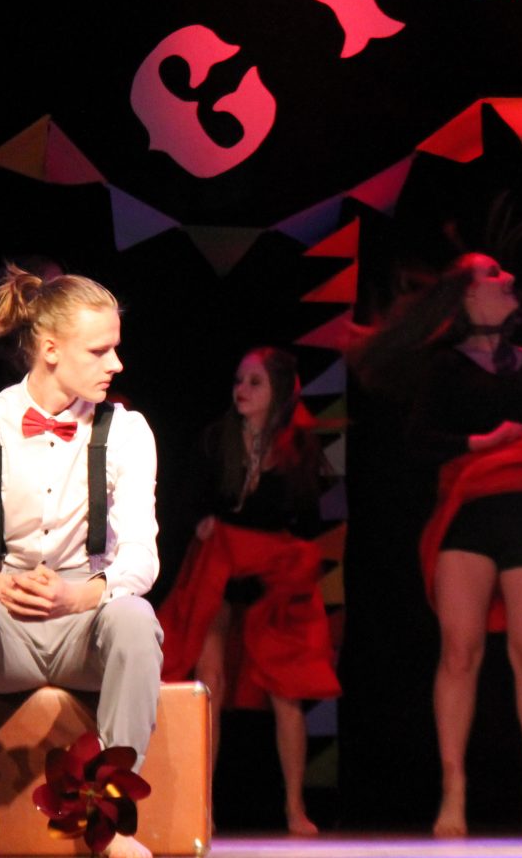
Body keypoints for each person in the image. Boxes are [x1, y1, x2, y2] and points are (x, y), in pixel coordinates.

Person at [0, 262, 162, 858]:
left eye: (115, 349)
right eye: (100, 351)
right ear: (50, 349)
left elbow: (141, 555)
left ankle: (110, 820)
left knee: (135, 618)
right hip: (7, 625)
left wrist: (84, 594)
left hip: (86, 622)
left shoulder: (128, 432)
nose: (116, 364)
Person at [354, 252, 522, 838]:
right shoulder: (444, 367)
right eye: (493, 274)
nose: (508, 278)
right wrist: (483, 442)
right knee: (459, 650)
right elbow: (417, 441)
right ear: (470, 296)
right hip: (469, 517)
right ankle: (453, 791)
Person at [157, 347, 340, 835]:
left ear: (278, 391)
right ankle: (201, 806)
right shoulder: (217, 439)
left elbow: (309, 520)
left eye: (255, 382)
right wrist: (201, 521)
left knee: (286, 689)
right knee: (209, 678)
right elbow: (185, 502)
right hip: (220, 570)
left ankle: (295, 806)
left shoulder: (299, 448)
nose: (242, 390)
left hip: (271, 576)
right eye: (239, 380)